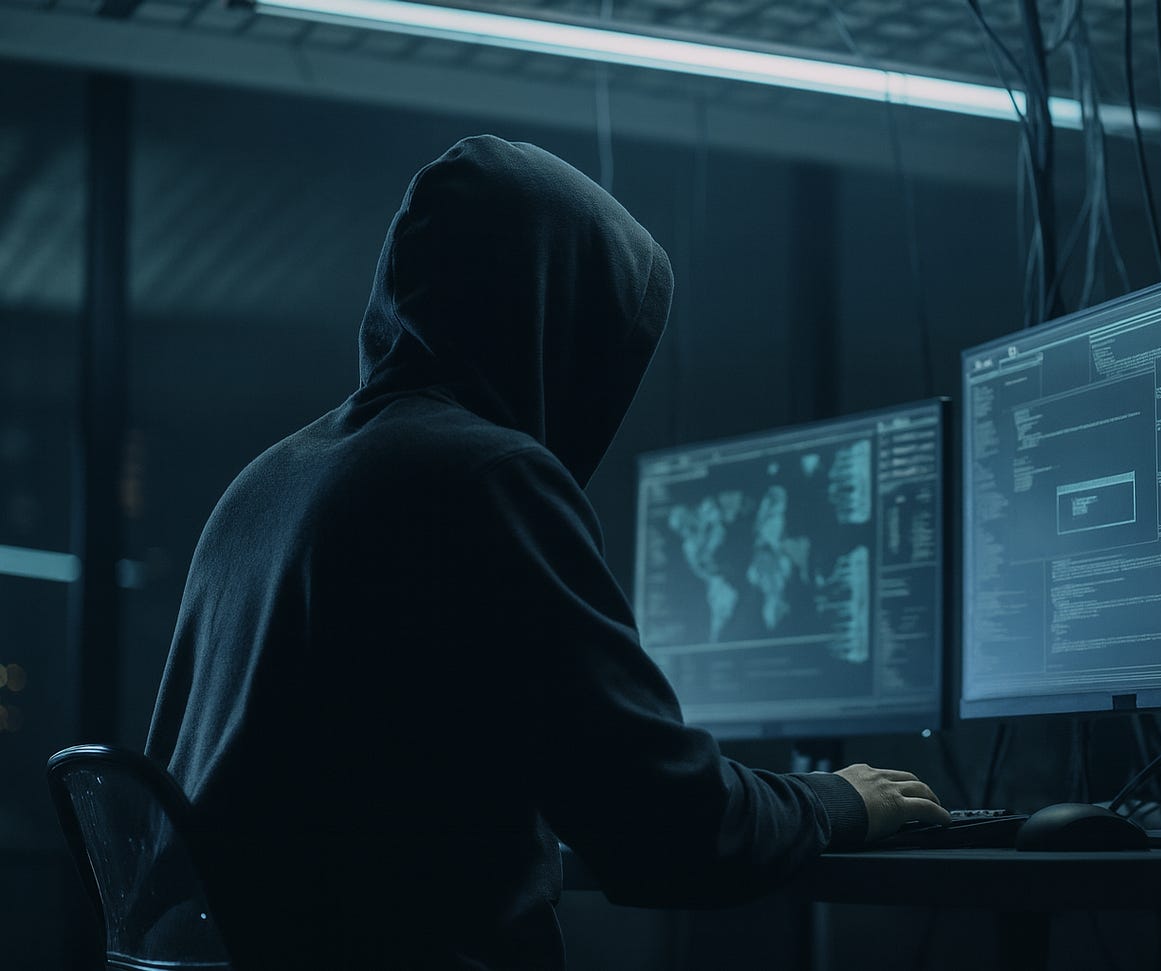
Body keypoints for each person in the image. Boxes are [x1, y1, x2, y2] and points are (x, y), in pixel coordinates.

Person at [145, 135, 949, 970]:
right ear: (559, 319)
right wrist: (838, 800)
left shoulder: (267, 480)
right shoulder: (483, 474)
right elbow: (672, 830)